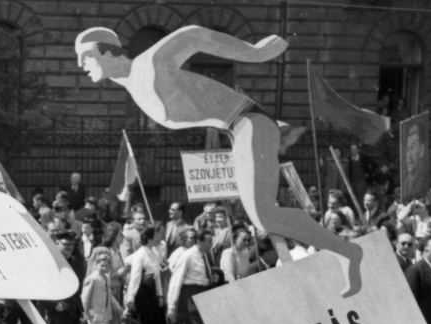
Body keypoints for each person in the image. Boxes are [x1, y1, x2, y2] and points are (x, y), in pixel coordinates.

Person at [75, 24, 365, 297]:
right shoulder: (134, 87)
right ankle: (345, 252)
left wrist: (256, 53)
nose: (80, 65)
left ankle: (348, 253)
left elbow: (193, 35)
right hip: (239, 129)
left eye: (85, 56)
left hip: (248, 123)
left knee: (262, 214)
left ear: (107, 51)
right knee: (262, 214)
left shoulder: (147, 65)